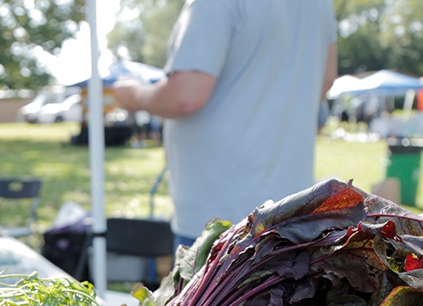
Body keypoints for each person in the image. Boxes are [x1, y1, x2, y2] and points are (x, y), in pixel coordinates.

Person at [113, 0, 338, 253]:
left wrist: (132, 94)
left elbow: (186, 96)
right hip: (291, 214)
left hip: (219, 218)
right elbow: (326, 78)